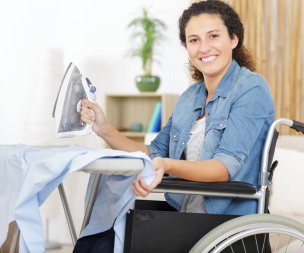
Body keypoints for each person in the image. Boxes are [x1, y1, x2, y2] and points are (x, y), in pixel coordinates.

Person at [81, 0, 274, 216]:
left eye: (213, 36)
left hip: (222, 218)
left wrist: (168, 165)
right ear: (186, 47)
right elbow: (153, 153)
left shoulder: (251, 88)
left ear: (233, 38)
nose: (203, 47)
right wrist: (104, 128)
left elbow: (222, 168)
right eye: (194, 40)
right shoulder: (190, 98)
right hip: (185, 210)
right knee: (108, 216)